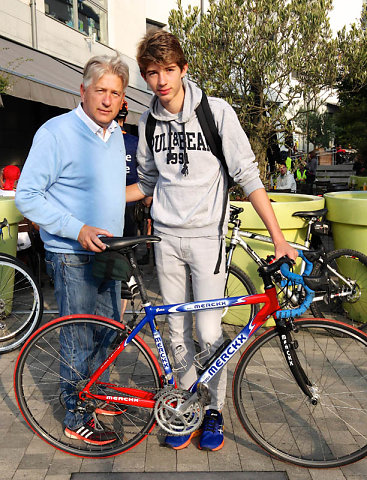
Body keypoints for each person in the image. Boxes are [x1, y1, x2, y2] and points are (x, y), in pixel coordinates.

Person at [126, 30, 297, 452]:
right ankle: (185, 409)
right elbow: (146, 182)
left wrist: (279, 239)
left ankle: (215, 408)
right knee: (176, 329)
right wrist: (95, 201)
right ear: (145, 77)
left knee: (208, 329)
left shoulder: (216, 113)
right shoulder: (147, 120)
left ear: (184, 69)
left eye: (169, 70)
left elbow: (248, 176)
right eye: (152, 73)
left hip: (207, 241)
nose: (162, 80)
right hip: (164, 239)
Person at [15, 54, 129, 446]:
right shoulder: (56, 131)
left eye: (115, 93)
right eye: (100, 90)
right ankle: (75, 413)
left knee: (108, 331)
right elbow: (27, 196)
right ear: (82, 90)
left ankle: (96, 392)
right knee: (78, 336)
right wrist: (76, 229)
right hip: (72, 253)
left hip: (110, 251)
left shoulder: (114, 135)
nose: (107, 99)